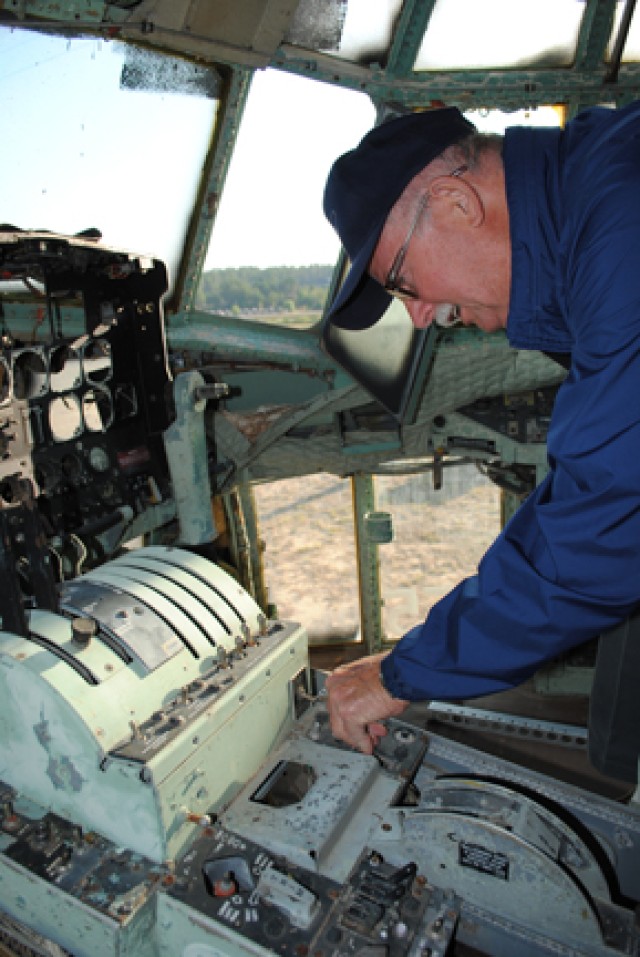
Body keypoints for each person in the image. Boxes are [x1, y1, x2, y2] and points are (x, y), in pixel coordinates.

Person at [321, 103, 640, 755]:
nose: (420, 315)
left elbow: (603, 518)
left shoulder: (618, 231)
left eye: (405, 282)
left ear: (455, 203)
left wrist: (400, 672)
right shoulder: (588, 205)